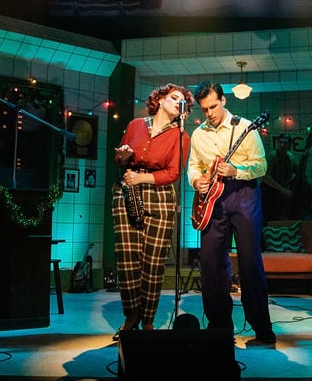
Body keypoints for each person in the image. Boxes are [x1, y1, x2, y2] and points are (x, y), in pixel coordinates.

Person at [187, 81, 276, 348]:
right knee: (212, 263)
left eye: (213, 106)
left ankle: (262, 330)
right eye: (205, 109)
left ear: (223, 101)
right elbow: (194, 166)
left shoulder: (245, 127)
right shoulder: (198, 134)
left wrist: (235, 170)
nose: (210, 113)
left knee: (250, 262)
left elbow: (261, 165)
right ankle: (219, 327)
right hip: (212, 198)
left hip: (244, 194)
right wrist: (196, 181)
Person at [110, 83, 193, 340]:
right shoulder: (136, 125)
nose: (178, 102)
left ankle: (148, 319)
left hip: (159, 195)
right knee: (127, 259)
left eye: (183, 102)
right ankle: (130, 316)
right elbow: (120, 159)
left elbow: (173, 173)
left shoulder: (181, 136)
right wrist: (123, 157)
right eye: (173, 97)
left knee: (153, 262)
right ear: (159, 99)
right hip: (128, 189)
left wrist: (141, 179)